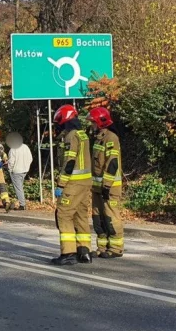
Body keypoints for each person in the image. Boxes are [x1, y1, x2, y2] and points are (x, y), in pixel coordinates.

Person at [51, 105, 93, 265]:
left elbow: (69, 162)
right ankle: (84, 251)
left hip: (73, 183)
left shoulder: (70, 136)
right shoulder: (83, 135)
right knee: (80, 215)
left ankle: (68, 253)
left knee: (64, 215)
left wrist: (61, 185)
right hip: (85, 182)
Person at [89, 107, 124, 259]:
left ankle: (116, 248)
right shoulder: (98, 137)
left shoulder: (111, 138)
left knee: (111, 217)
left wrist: (107, 185)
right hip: (97, 187)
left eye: (93, 122)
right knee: (98, 218)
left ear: (100, 122)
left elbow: (112, 163)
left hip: (109, 188)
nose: (91, 125)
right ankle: (102, 247)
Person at [5, 132, 32, 210]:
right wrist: (27, 167)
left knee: (18, 188)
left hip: (16, 171)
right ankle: (22, 203)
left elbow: (11, 162)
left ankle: (22, 205)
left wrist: (9, 169)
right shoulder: (25, 147)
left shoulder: (13, 149)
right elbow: (30, 158)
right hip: (25, 170)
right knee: (20, 187)